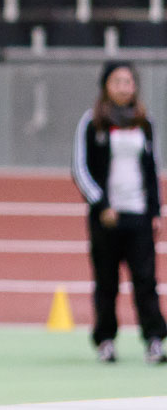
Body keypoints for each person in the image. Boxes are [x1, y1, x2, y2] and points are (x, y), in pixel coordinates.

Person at [72, 60, 167, 364]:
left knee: (145, 280)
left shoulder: (145, 122)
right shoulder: (91, 121)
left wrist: (155, 210)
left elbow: (153, 168)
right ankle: (106, 340)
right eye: (118, 82)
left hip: (138, 214)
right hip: (107, 218)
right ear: (106, 87)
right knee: (107, 281)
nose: (124, 87)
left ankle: (154, 340)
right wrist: (101, 204)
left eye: (129, 82)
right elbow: (79, 168)